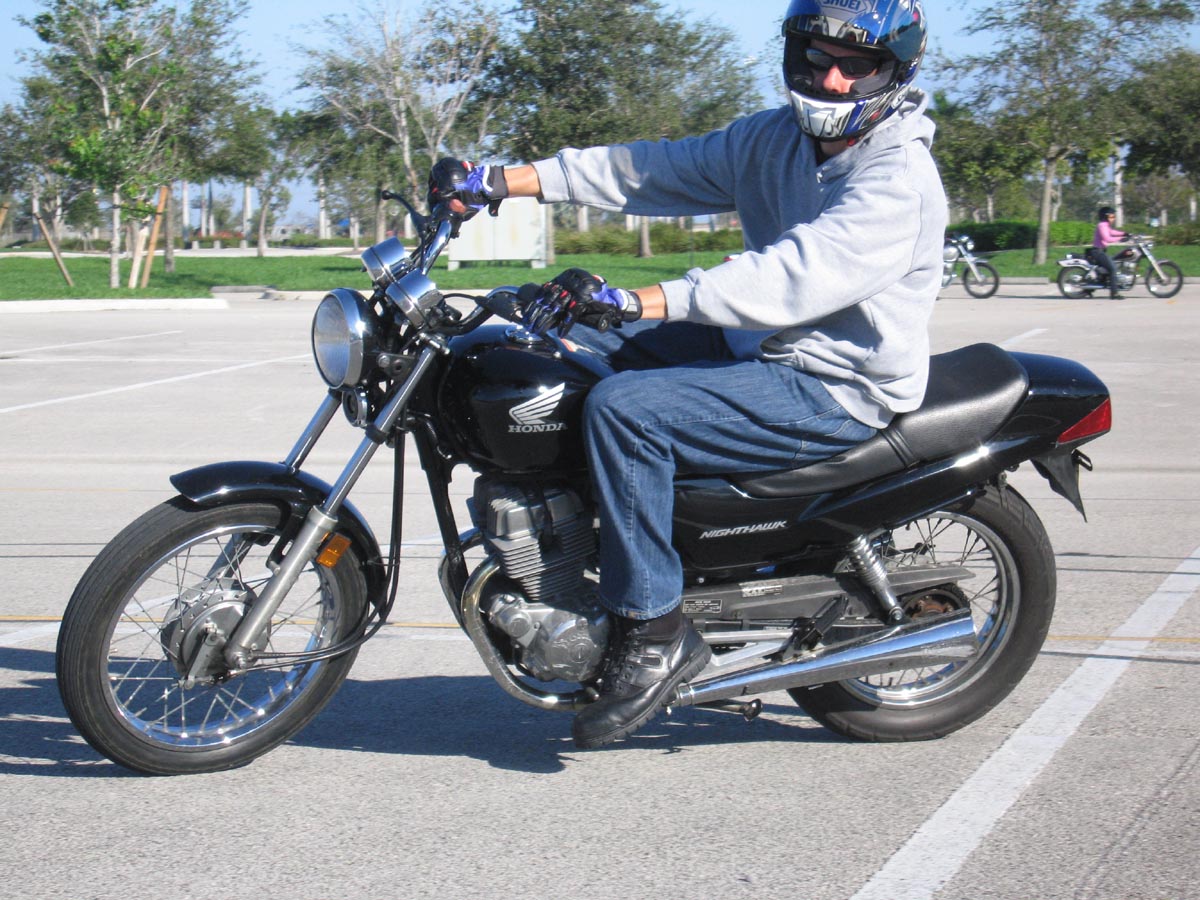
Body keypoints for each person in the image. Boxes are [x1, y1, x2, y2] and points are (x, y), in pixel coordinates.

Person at [429, 0, 947, 749]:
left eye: (856, 66)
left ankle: (655, 631)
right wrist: (499, 181)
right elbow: (649, 169)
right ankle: (581, 548)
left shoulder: (898, 177)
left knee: (626, 411)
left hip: (835, 382)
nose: (831, 80)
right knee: (555, 347)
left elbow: (791, 277)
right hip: (756, 345)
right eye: (816, 58)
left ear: (893, 72)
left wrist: (636, 299)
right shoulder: (775, 138)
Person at [1089, 206, 1129, 299]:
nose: (1113, 218)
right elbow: (1107, 238)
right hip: (1098, 252)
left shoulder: (1105, 225)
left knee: (1112, 265)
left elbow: (1112, 232)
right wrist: (1121, 239)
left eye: (1114, 216)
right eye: (1111, 216)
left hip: (1100, 251)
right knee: (1113, 269)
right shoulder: (1102, 225)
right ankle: (1114, 293)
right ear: (1105, 216)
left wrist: (1124, 233)